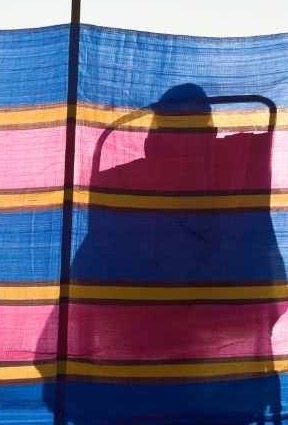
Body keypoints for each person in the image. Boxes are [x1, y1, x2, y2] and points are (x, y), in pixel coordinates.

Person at [39, 84, 285, 424]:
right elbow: (264, 280)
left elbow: (90, 277)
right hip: (219, 375)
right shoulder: (237, 173)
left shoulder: (123, 184)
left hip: (129, 376)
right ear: (211, 131)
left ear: (153, 132)